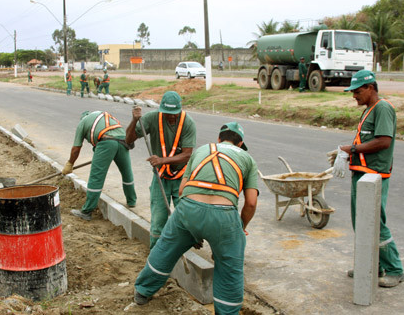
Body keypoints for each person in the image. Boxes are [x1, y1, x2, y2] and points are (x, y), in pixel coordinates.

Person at [134, 122, 259, 314]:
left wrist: (194, 228)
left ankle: (142, 292)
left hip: (188, 210)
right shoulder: (248, 159)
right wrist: (240, 227)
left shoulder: (202, 150)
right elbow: (250, 203)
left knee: (165, 248)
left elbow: (183, 189)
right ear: (240, 143)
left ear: (218, 138)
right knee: (229, 267)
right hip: (223, 216)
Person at [332, 70, 404, 288]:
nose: (354, 95)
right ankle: (371, 265)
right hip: (362, 173)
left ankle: (394, 269)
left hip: (374, 176)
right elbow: (367, 142)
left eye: (357, 91)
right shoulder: (369, 110)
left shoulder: (383, 108)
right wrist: (348, 154)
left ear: (370, 87)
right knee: (361, 222)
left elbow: (383, 142)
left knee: (374, 223)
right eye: (352, 92)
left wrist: (350, 148)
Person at [125, 91, 196, 248]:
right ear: (161, 110)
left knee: (186, 217)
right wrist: (134, 120)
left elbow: (187, 155)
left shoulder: (187, 122)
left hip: (181, 177)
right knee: (158, 220)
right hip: (160, 177)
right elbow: (128, 140)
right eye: (167, 114)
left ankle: (186, 246)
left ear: (180, 110)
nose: (171, 117)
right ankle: (156, 256)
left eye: (174, 114)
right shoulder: (152, 118)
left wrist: (162, 160)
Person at [64, 111, 137, 221]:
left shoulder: (82, 123)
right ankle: (132, 201)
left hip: (106, 142)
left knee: (96, 177)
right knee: (126, 172)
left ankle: (87, 211)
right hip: (123, 139)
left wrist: (70, 163)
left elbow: (76, 149)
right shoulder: (102, 116)